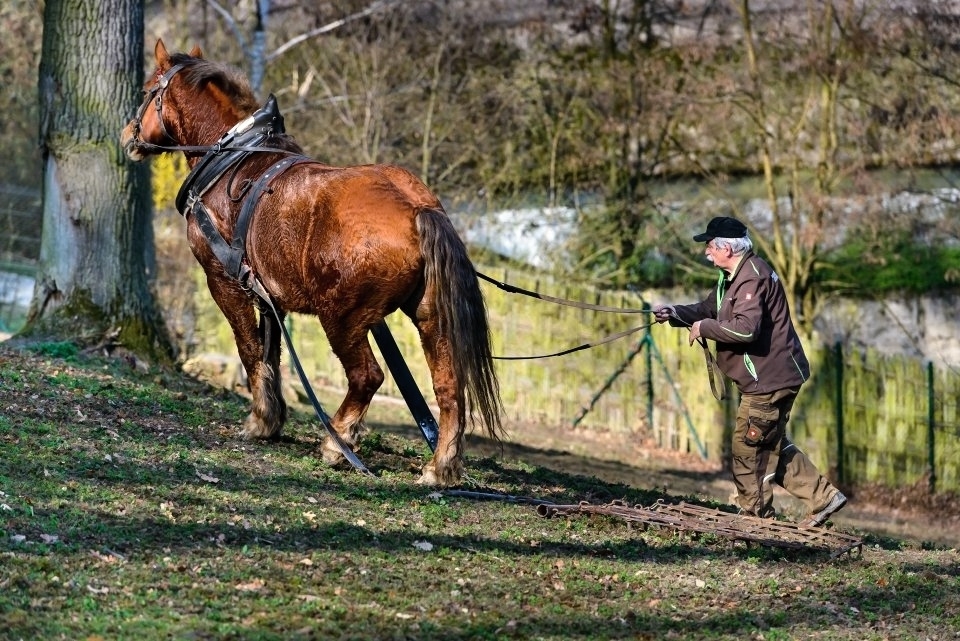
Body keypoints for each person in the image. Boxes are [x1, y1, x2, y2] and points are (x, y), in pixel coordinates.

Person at [653, 216, 846, 527]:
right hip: (778, 375)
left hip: (768, 381)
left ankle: (755, 518)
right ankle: (824, 498)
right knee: (768, 442)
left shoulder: (751, 278)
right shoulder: (734, 276)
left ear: (728, 248)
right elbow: (709, 309)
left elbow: (745, 331)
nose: (706, 252)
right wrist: (676, 313)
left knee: (748, 448)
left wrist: (705, 328)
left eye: (710, 246)